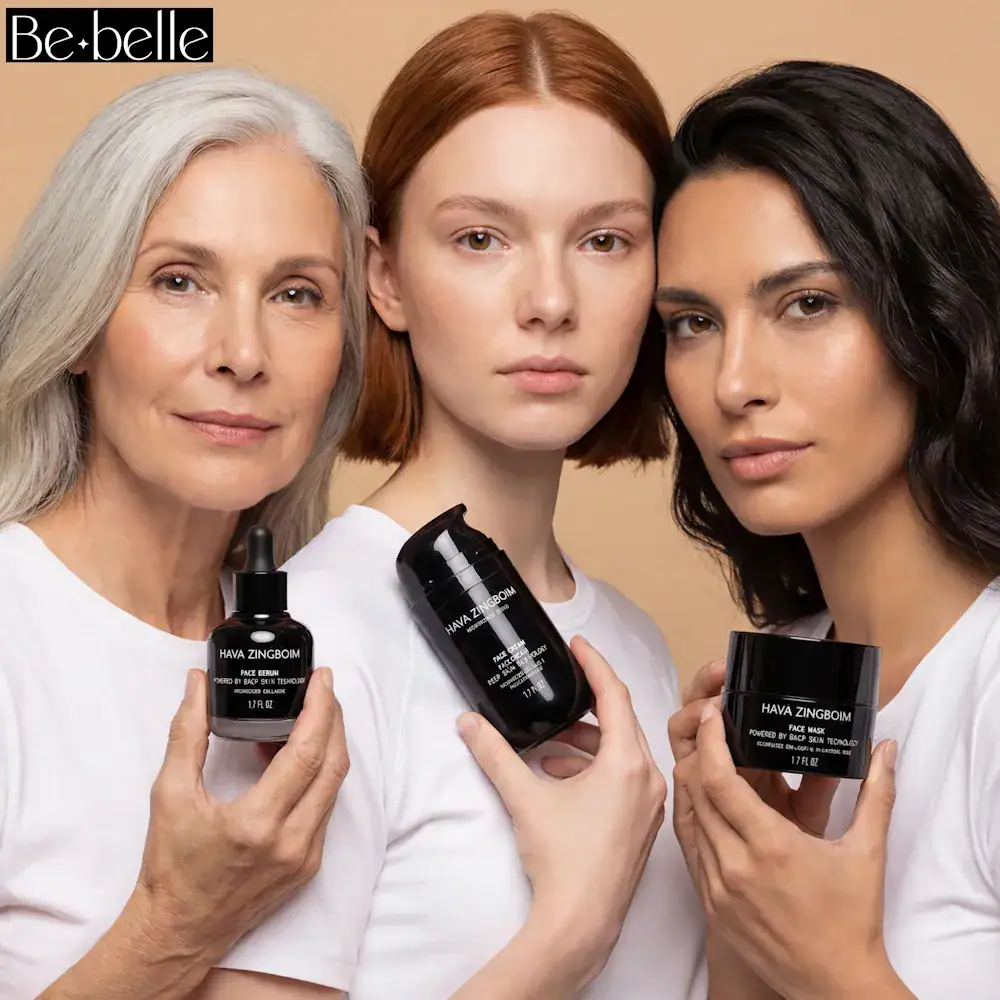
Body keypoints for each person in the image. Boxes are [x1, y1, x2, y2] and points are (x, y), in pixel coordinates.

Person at [202, 11, 707, 1000]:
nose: (550, 300)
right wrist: (569, 930)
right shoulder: (305, 644)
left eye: (604, 239)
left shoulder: (635, 647)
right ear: (384, 276)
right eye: (482, 238)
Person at [0, 68, 369, 999]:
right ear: (78, 323)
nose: (243, 354)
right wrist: (176, 923)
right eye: (179, 281)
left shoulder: (340, 644)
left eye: (297, 294)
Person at [657, 61, 1000, 1000]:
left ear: (933, 313)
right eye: (691, 322)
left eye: (807, 303)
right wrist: (739, 896)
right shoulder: (783, 685)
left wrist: (835, 969)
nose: (734, 383)